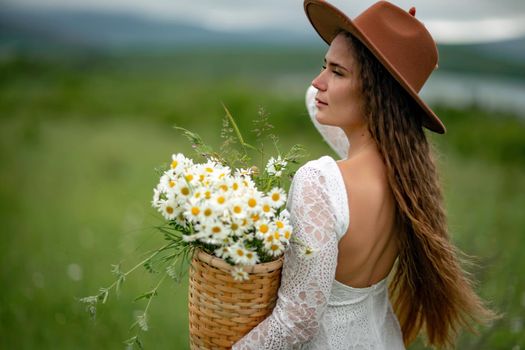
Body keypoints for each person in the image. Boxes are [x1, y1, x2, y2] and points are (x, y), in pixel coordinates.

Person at [233, 1, 496, 349]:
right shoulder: (409, 178)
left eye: (337, 72)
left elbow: (298, 319)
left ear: (377, 92)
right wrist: (353, 64)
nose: (318, 82)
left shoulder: (321, 182)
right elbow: (317, 97)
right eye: (323, 66)